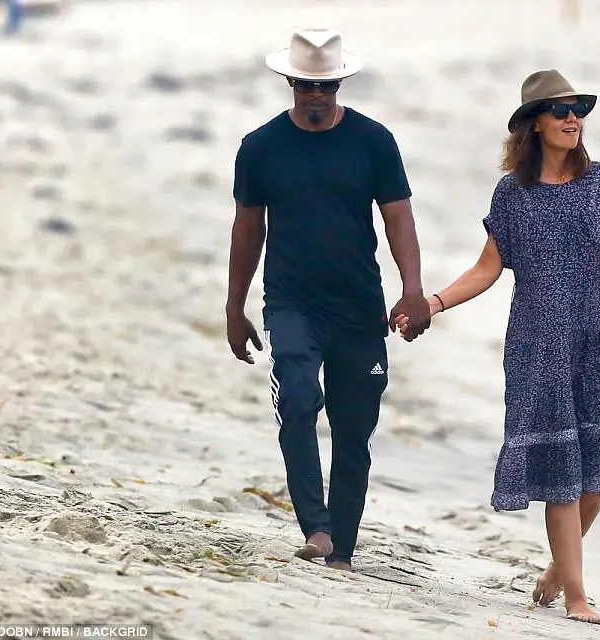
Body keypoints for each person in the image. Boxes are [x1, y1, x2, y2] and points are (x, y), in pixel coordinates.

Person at [395, 69, 600, 625]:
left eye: (579, 110)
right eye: (560, 110)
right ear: (534, 124)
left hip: (593, 343)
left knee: (593, 480)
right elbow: (487, 268)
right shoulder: (513, 195)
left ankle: (556, 571)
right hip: (537, 346)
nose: (573, 119)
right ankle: (577, 596)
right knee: (562, 475)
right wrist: (434, 302)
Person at [226, 28, 431, 572]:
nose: (315, 94)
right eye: (306, 85)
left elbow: (399, 220)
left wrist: (412, 289)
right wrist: (234, 307)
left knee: (353, 429)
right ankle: (315, 527)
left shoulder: (373, 142)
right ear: (289, 82)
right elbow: (247, 230)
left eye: (326, 85)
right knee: (297, 402)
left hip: (359, 307)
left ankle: (341, 548)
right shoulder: (260, 148)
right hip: (291, 303)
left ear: (340, 84)